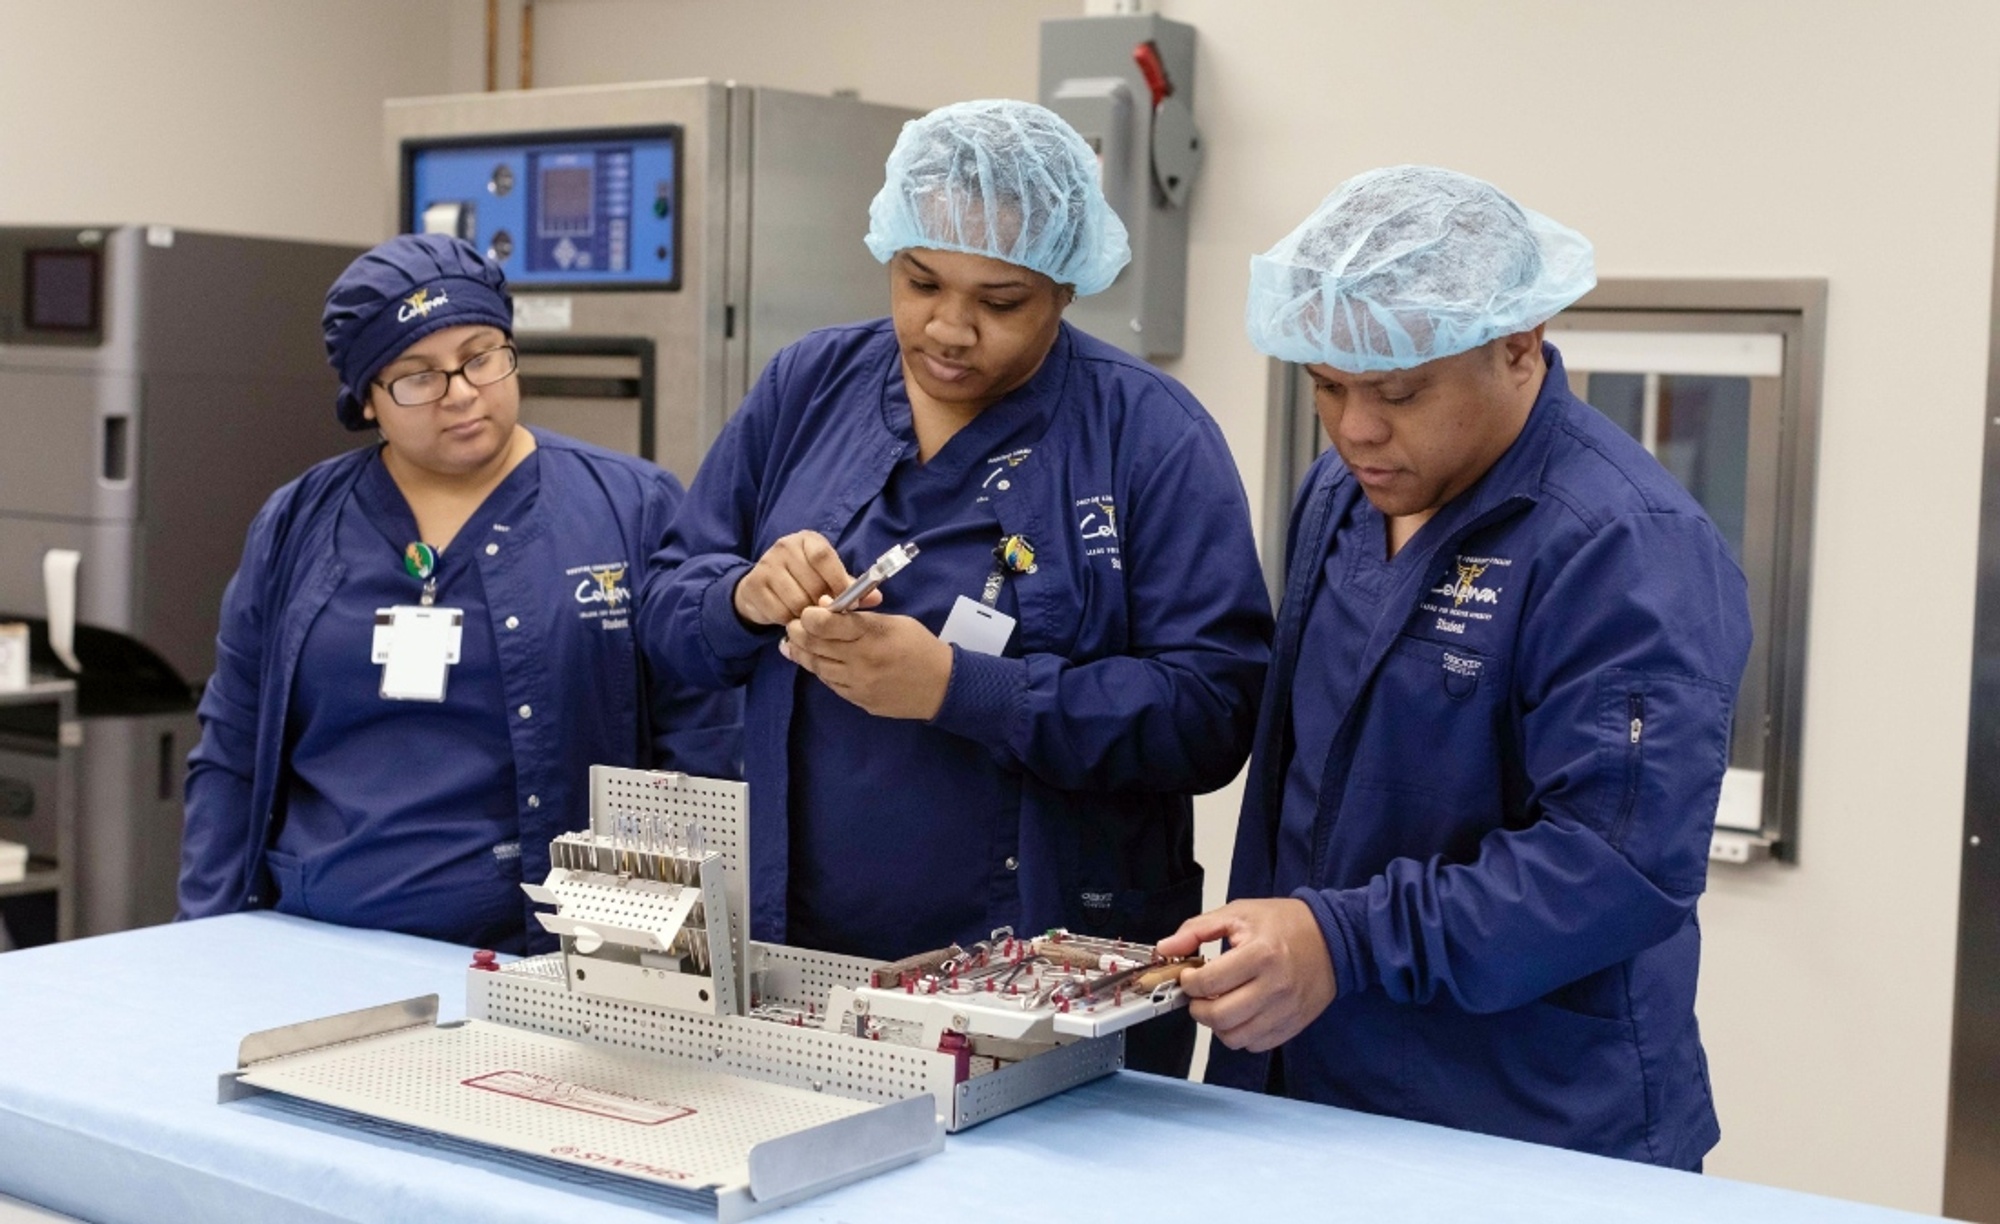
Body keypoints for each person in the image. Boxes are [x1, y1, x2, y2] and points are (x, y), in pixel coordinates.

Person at [640, 99, 1272, 1074]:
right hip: (794, 966)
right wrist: (743, 599)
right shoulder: (809, 386)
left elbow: (1212, 710)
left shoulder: (1146, 436)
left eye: (999, 300)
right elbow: (666, 608)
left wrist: (955, 689)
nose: (947, 327)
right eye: (919, 280)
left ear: (1066, 286)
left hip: (1047, 987)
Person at [1160, 165, 1752, 1168]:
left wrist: (1339, 942)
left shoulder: (1621, 544)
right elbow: (1295, 780)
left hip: (1529, 1120)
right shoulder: (1342, 495)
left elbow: (1613, 867)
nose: (1354, 428)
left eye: (1396, 391)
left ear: (1517, 347)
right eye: (1326, 386)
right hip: (1309, 1087)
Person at [178, 234, 739, 953]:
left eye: (481, 356)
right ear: (368, 401)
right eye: (417, 376)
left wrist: (661, 957)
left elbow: (701, 745)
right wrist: (199, 941)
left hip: (541, 955)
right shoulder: (298, 522)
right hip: (314, 939)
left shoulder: (632, 508)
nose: (462, 392)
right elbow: (232, 746)